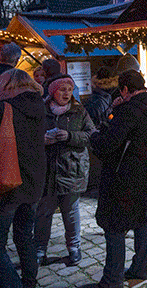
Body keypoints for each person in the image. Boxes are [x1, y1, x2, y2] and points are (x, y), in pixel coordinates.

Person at [0, 69, 46, 288]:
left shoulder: (4, 108)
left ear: (9, 85)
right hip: (34, 181)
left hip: (7, 182)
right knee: (25, 236)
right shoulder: (39, 106)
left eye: (0, 82)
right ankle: (29, 282)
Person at [90, 69, 147, 286]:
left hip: (125, 176)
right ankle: (141, 269)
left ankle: (112, 279)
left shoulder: (129, 111)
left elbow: (108, 144)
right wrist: (116, 110)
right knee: (143, 222)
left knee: (114, 227)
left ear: (124, 89)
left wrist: (94, 136)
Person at [34, 75, 94, 267]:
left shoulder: (79, 111)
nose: (66, 93)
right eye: (62, 89)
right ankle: (39, 250)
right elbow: (29, 135)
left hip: (72, 169)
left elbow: (91, 135)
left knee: (71, 211)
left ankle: (74, 248)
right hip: (47, 170)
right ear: (53, 92)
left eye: (69, 89)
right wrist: (41, 140)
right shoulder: (41, 110)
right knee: (44, 212)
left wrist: (69, 136)